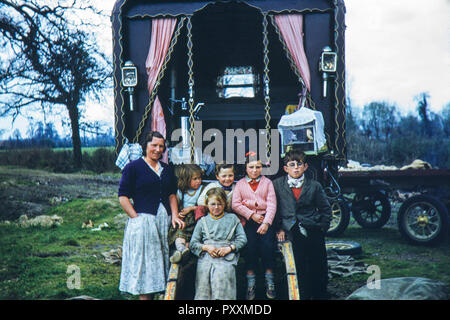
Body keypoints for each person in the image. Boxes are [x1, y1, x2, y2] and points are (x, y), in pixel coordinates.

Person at [118, 131, 185, 300]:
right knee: (145, 264)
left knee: (161, 261)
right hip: (143, 222)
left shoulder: (167, 169)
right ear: (145, 146)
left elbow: (171, 195)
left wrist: (175, 215)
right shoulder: (133, 168)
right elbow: (123, 197)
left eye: (161, 146)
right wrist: (136, 218)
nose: (157, 149)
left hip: (163, 221)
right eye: (154, 145)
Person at [273, 149, 332, 300]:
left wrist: (323, 227)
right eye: (292, 165)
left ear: (305, 167)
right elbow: (274, 209)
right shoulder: (277, 185)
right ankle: (301, 293)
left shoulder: (314, 186)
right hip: (290, 228)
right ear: (286, 168)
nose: (296, 168)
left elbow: (325, 209)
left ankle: (319, 293)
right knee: (298, 262)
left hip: (312, 226)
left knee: (317, 261)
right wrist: (279, 228)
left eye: (299, 164)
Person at [231, 153, 277, 300]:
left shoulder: (267, 183)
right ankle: (251, 283)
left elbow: (272, 204)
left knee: (267, 246)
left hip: (265, 219)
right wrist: (251, 214)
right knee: (249, 247)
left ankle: (270, 281)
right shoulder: (240, 184)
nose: (255, 170)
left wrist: (266, 222)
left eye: (258, 167)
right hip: (249, 221)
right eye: (251, 167)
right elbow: (235, 204)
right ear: (246, 168)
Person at [189, 188, 247, 300]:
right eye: (213, 204)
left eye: (219, 204)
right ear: (207, 204)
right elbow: (193, 243)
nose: (216, 207)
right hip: (206, 258)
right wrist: (206, 247)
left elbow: (242, 239)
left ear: (225, 204)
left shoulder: (232, 219)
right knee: (203, 289)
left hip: (226, 258)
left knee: (222, 285)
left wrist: (229, 248)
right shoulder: (203, 221)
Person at [168, 164, 204, 263]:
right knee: (180, 234)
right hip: (183, 219)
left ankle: (182, 253)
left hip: (195, 219)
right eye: (195, 179)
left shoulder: (201, 190)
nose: (198, 181)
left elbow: (204, 207)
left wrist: (191, 208)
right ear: (186, 180)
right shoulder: (181, 192)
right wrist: (179, 214)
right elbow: (177, 204)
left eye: (199, 178)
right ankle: (181, 250)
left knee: (191, 238)